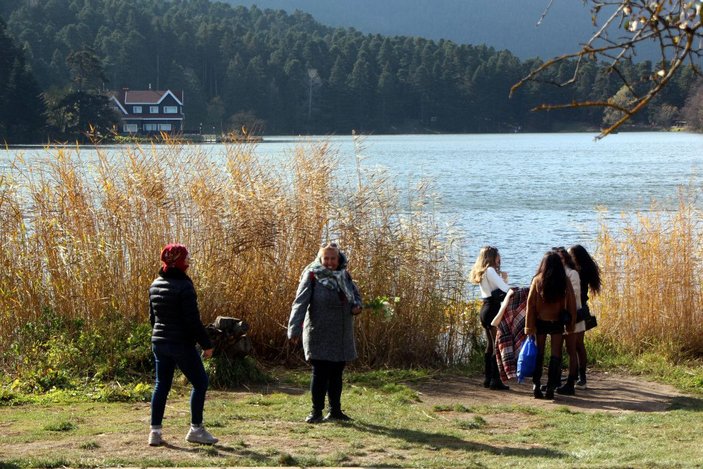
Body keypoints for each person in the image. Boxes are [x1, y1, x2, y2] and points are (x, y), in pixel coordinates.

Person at [148, 243, 218, 446]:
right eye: (186, 258)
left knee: (162, 385)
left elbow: (153, 319)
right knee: (200, 383)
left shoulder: (155, 284)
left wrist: (161, 336)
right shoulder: (184, 286)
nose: (188, 261)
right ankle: (196, 429)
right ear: (178, 262)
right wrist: (206, 344)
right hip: (181, 344)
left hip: (159, 342)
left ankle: (155, 432)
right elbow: (192, 321)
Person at [288, 243, 363, 423]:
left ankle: (335, 411)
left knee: (337, 373)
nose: (329, 262)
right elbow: (300, 303)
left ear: (339, 259)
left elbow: (356, 296)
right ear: (320, 260)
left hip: (341, 334)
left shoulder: (345, 275)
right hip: (318, 332)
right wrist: (294, 329)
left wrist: (357, 307)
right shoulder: (312, 275)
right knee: (320, 373)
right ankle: (316, 412)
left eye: (333, 258)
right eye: (326, 258)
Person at [525, 251, 576, 399]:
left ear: (544, 264)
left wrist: (529, 327)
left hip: (541, 321)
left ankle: (536, 384)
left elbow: (531, 305)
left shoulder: (537, 280)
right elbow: (572, 303)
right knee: (556, 355)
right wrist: (571, 325)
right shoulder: (564, 280)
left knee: (539, 353)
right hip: (557, 322)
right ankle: (551, 388)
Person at [469, 246, 511, 391]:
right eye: (498, 256)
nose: (500, 259)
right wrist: (505, 279)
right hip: (493, 310)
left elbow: (494, 290)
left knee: (490, 344)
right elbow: (506, 290)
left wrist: (502, 278)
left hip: (485, 308)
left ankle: (488, 378)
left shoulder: (482, 272)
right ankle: (495, 379)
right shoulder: (491, 271)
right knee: (496, 345)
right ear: (493, 257)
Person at [568, 244, 602, 388]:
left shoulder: (578, 272)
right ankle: (579, 376)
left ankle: (579, 377)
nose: (568, 258)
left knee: (575, 345)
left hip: (578, 310)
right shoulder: (583, 270)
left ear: (576, 257)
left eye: (570, 256)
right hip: (582, 309)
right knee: (577, 344)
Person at [551, 247, 582, 396]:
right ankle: (555, 380)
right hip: (559, 317)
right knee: (558, 349)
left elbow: (574, 297)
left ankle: (571, 382)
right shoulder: (557, 274)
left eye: (560, 259)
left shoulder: (572, 273)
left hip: (571, 317)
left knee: (571, 349)